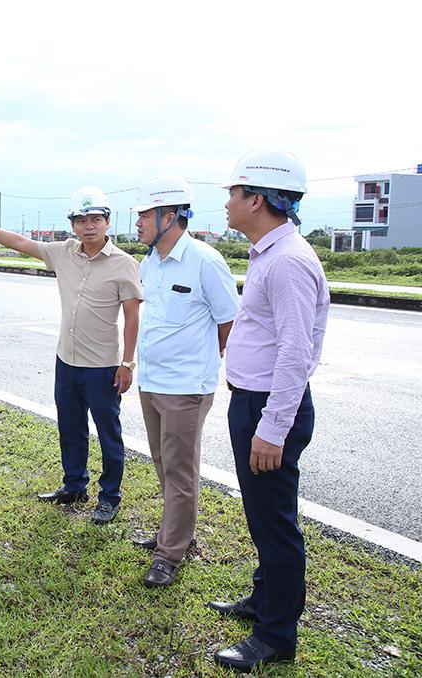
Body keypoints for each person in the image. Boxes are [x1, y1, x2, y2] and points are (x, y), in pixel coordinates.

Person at [0, 187, 141, 524]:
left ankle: (109, 497)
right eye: (81, 220)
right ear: (73, 225)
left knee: (109, 433)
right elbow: (19, 243)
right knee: (70, 426)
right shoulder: (64, 252)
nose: (88, 226)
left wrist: (127, 363)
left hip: (102, 366)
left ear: (108, 222)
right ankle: (74, 485)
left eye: (95, 219)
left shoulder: (124, 265)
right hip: (67, 361)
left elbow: (133, 317)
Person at [208, 150, 329, 672]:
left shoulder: (288, 262)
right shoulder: (268, 254)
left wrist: (272, 430)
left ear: (256, 200)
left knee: (276, 523)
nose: (227, 203)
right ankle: (263, 600)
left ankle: (276, 636)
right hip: (252, 401)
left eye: (233, 194)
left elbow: (295, 354)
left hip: (268, 409)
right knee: (261, 516)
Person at [129, 174, 239, 588]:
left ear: (169, 216)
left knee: (180, 470)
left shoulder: (205, 261)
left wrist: (204, 364)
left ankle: (171, 552)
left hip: (186, 388)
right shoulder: (151, 261)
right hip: (153, 381)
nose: (137, 223)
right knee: (162, 461)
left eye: (144, 216)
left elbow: (230, 322)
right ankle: (176, 532)